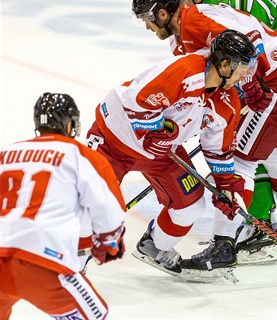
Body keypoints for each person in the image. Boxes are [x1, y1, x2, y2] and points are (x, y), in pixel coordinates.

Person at [132, 0, 277, 273]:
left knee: (241, 161)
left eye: (148, 18)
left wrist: (251, 82)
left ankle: (223, 246)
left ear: (163, 13)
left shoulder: (194, 23)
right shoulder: (187, 32)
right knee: (275, 153)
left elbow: (249, 42)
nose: (147, 25)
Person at [84, 29, 256, 282]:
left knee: (191, 205)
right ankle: (68, 264)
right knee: (95, 206)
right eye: (242, 68)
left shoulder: (227, 101)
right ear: (224, 63)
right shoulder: (185, 70)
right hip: (114, 139)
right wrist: (155, 129)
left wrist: (227, 186)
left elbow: (218, 149)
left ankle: (154, 246)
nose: (245, 75)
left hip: (163, 153)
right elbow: (136, 100)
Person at [0, 93, 126, 319]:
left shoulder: (6, 153)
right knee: (96, 314)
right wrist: (108, 243)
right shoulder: (80, 155)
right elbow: (110, 211)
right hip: (42, 261)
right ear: (70, 124)